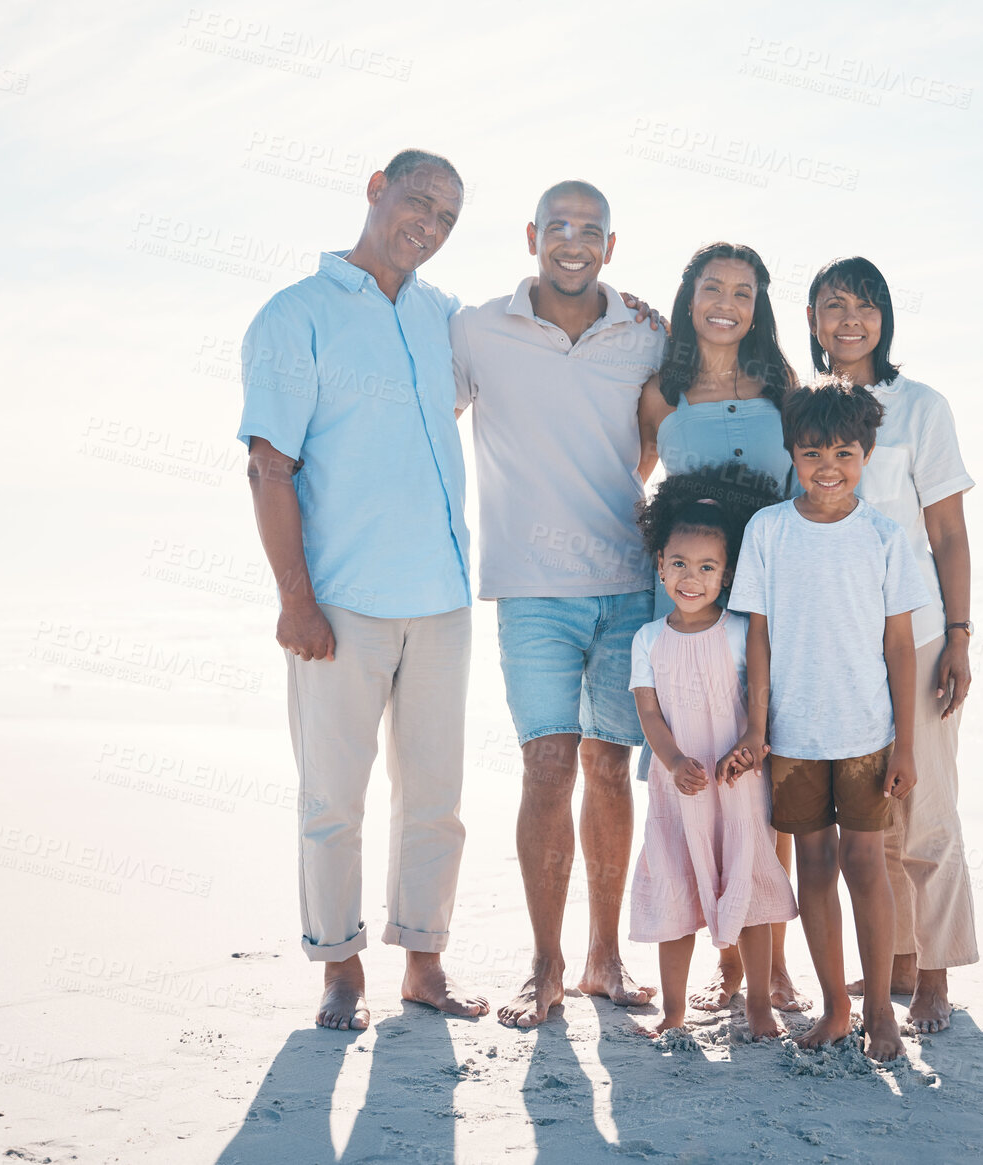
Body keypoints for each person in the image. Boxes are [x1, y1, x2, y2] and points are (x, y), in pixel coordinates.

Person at [238, 148, 487, 1031]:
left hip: (444, 599)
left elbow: (533, 341)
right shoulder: (295, 315)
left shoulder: (442, 318)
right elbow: (270, 467)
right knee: (331, 798)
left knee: (436, 798)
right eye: (418, 200)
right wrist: (294, 599)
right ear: (376, 189)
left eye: (449, 216)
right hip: (340, 603)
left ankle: (424, 962)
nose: (430, 223)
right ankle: (339, 968)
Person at [451, 180, 666, 1028]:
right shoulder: (476, 329)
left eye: (592, 231)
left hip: (626, 581)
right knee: (547, 766)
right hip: (532, 588)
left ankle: (603, 958)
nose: (574, 243)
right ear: (532, 236)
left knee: (610, 768)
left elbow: (658, 434)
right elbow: (423, 411)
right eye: (560, 228)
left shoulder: (643, 333)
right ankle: (543, 965)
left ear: (612, 246)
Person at [722, 380, 928, 1062]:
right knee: (812, 861)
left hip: (868, 734)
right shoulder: (769, 531)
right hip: (796, 733)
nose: (828, 465)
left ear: (867, 454)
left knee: (865, 861)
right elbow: (758, 636)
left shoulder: (884, 536)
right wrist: (756, 725)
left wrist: (907, 741)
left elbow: (899, 645)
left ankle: (879, 1012)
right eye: (813, 451)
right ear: (793, 453)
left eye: (845, 450)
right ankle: (836, 1003)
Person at [635, 242, 808, 1017]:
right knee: (701, 785)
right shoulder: (660, 393)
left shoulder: (782, 385)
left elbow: (812, 486)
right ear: (689, 296)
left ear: (758, 303)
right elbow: (631, 485)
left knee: (761, 787)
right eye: (712, 287)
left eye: (743, 290)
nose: (727, 302)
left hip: (768, 605)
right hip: (688, 607)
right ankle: (729, 966)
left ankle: (772, 968)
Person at [806, 256, 978, 1036]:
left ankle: (936, 976)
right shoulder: (803, 411)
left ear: (884, 318)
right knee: (870, 817)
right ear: (810, 320)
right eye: (834, 305)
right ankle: (899, 961)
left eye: (865, 305)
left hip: (921, 636)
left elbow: (946, 531)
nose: (850, 319)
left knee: (928, 805)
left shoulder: (921, 408)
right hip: (841, 647)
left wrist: (962, 636)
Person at [626, 465, 797, 1040]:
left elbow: (759, 699)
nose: (690, 577)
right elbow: (649, 712)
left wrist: (751, 746)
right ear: (660, 566)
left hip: (736, 785)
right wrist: (673, 763)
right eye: (678, 564)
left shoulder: (739, 629)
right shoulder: (648, 639)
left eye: (706, 567)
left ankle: (757, 1007)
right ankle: (673, 1014)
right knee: (674, 889)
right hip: (678, 790)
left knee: (746, 894)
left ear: (726, 576)